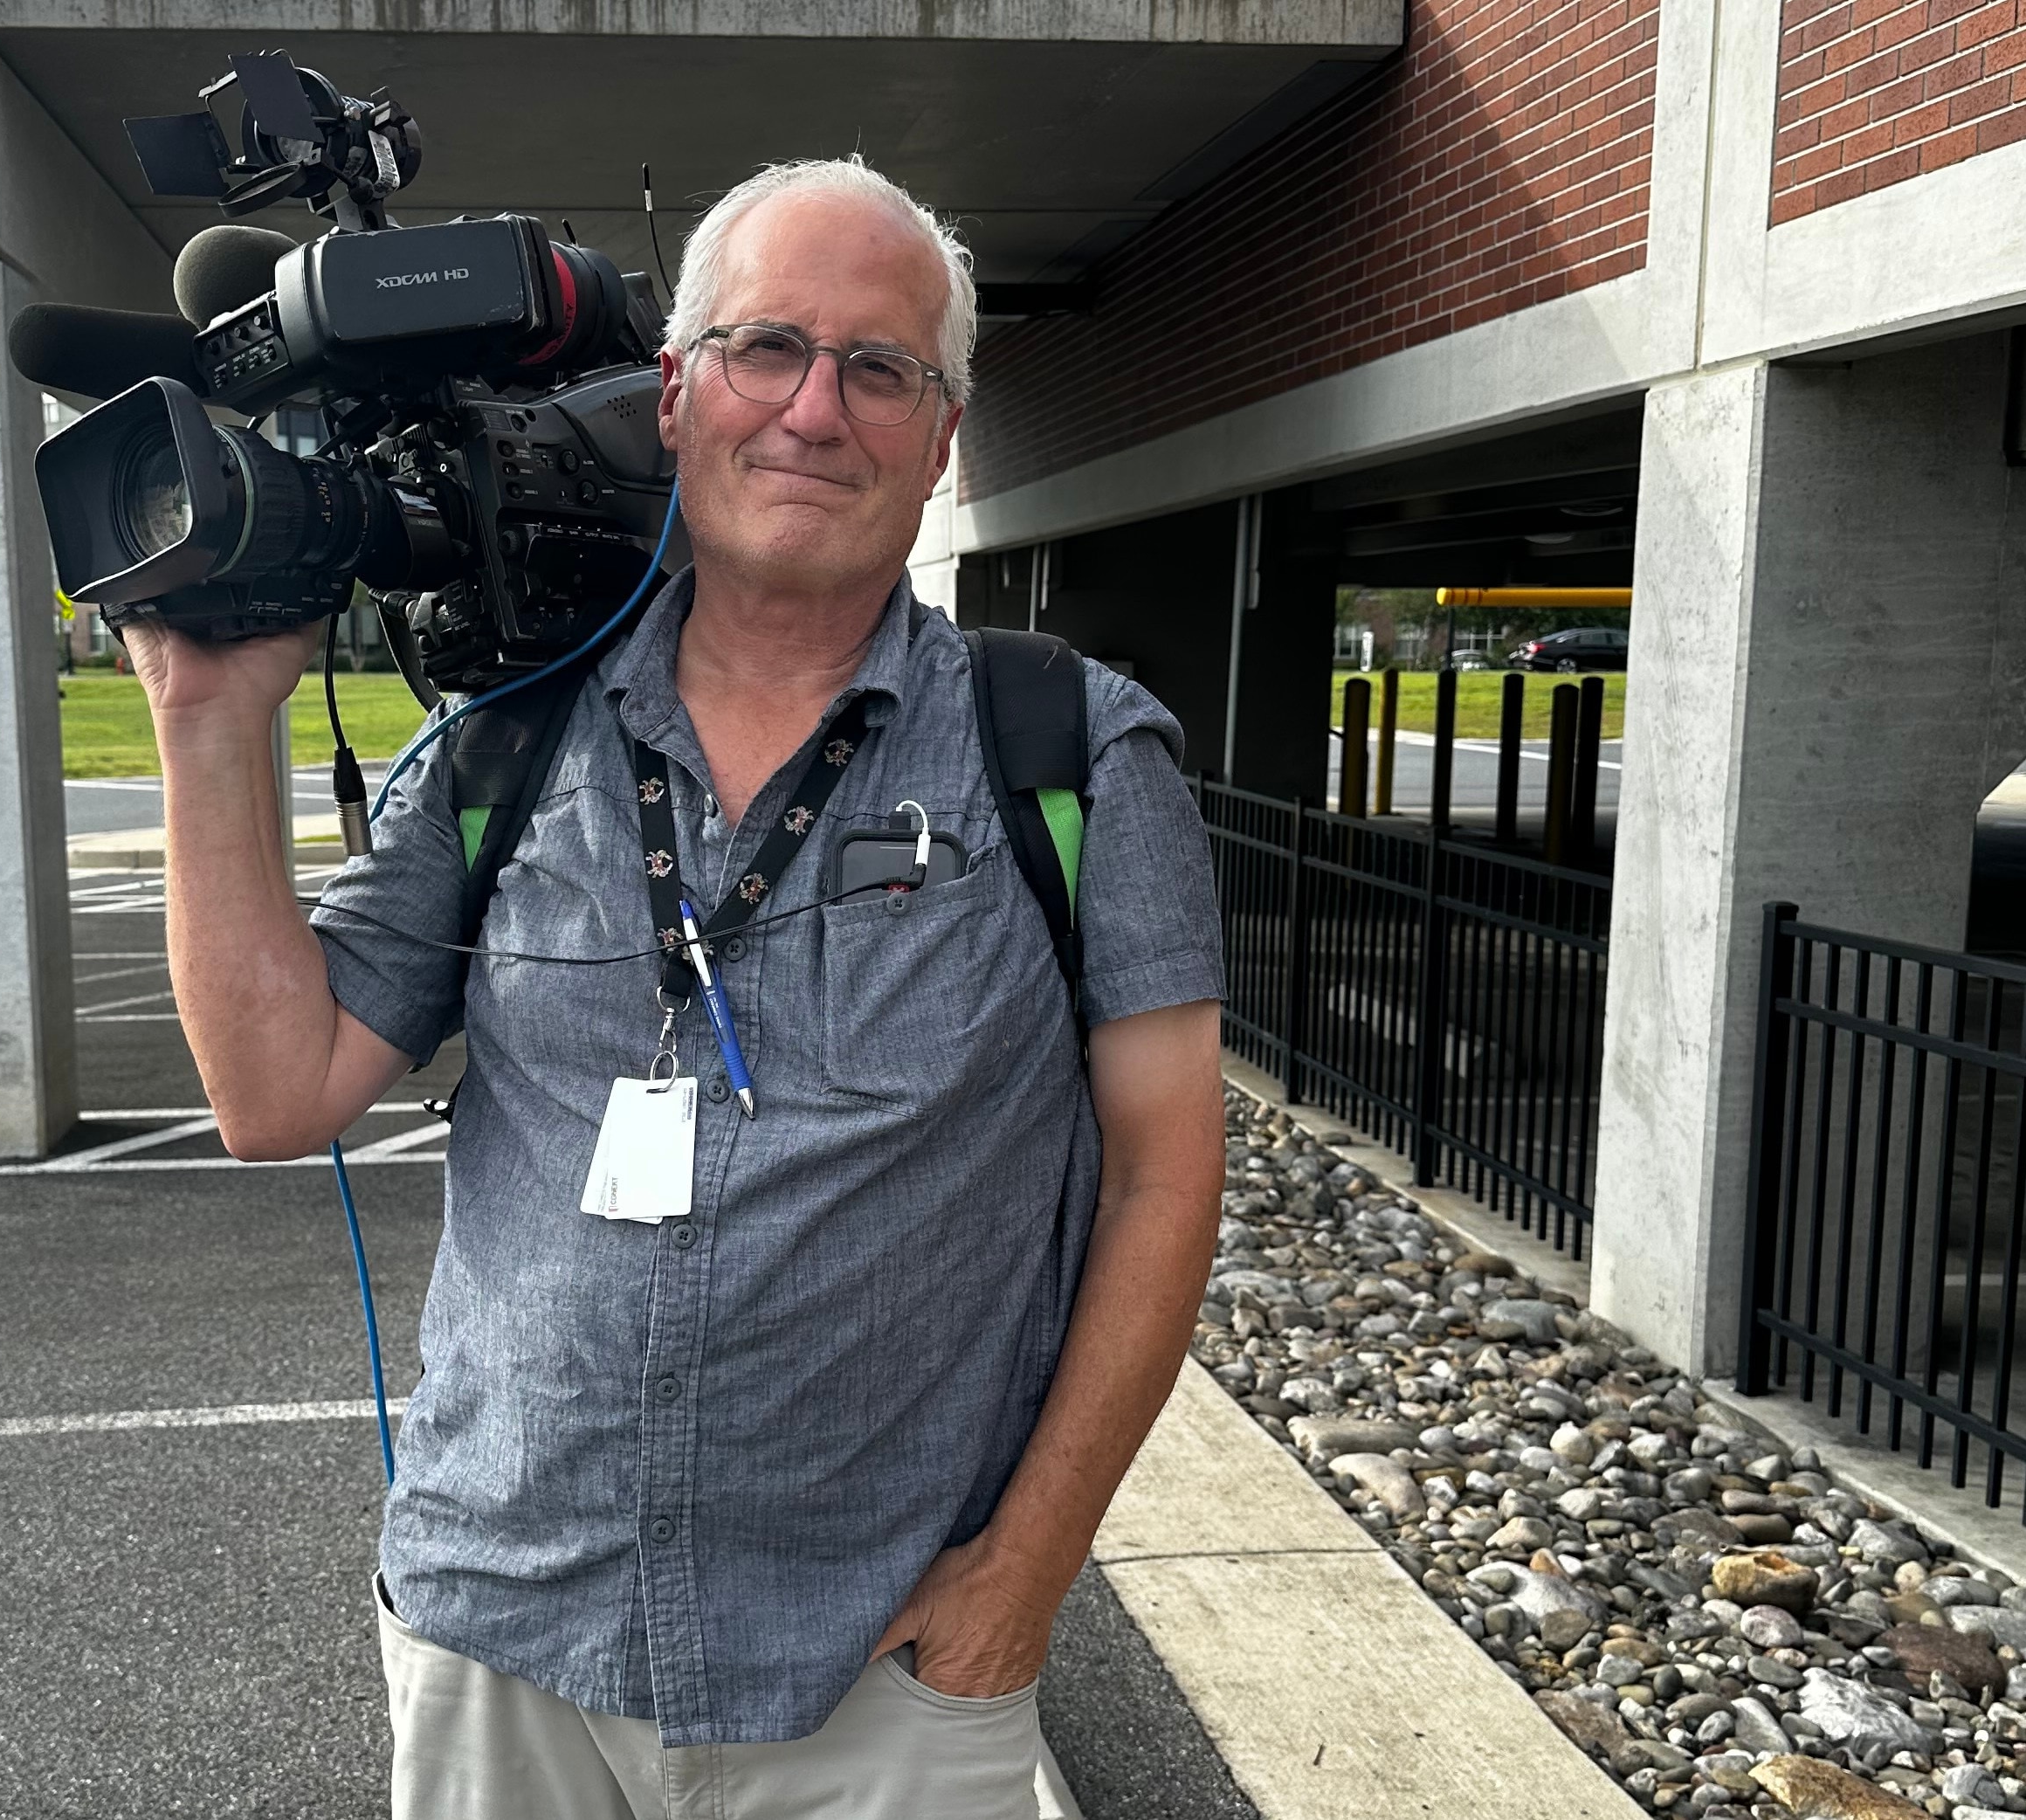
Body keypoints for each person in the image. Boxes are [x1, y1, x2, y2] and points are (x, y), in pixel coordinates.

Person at [129, 156, 1228, 1817]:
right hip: (504, 1634)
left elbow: (1166, 1173)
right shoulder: (507, 739)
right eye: (765, 347)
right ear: (677, 392)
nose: (812, 410)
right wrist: (207, 727)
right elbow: (274, 1095)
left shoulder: (1070, 750)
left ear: (943, 437)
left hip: (883, 1660)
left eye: (881, 369)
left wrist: (1027, 1574)